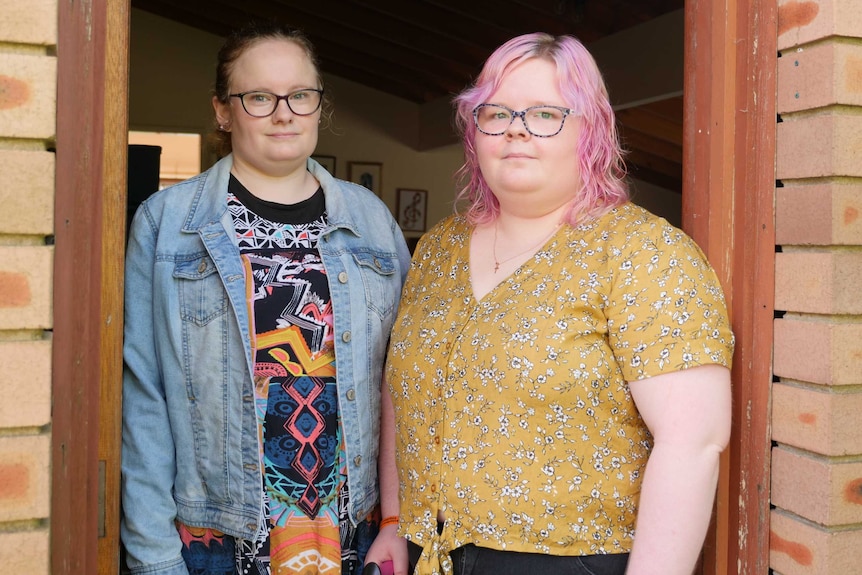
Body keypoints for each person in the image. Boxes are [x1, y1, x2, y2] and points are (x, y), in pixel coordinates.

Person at [367, 32, 735, 575]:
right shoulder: (438, 250)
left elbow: (693, 442)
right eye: (496, 112)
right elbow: (404, 391)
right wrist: (396, 523)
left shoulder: (643, 253)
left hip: (569, 561)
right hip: (430, 553)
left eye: (545, 113)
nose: (516, 128)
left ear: (592, 130)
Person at [121, 20, 411, 575]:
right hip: (217, 536)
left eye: (300, 96)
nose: (284, 113)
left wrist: (400, 522)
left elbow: (405, 381)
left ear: (318, 106)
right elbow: (145, 399)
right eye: (259, 97)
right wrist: (153, 556)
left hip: (355, 533)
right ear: (222, 111)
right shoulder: (168, 223)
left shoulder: (371, 220)